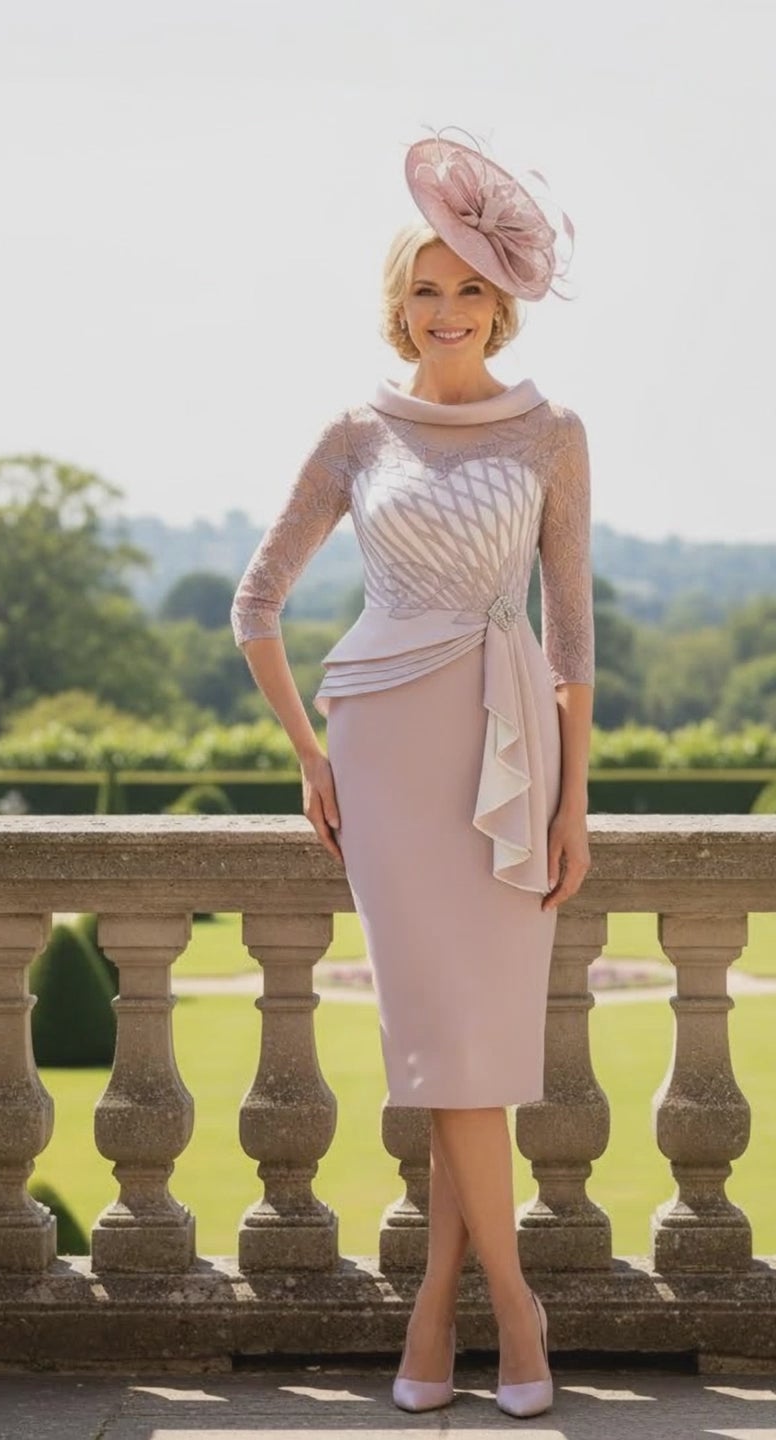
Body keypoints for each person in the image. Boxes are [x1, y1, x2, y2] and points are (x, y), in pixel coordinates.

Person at [230, 127, 594, 1420]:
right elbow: (256, 603)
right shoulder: (356, 433)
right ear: (401, 305)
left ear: (500, 302)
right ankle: (516, 1311)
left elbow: (571, 633)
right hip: (383, 753)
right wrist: (310, 756)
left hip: (511, 748)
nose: (448, 311)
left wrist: (575, 802)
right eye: (427, 290)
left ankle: (438, 1309)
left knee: (470, 1051)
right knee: (440, 1041)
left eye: (469, 290)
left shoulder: (552, 433)